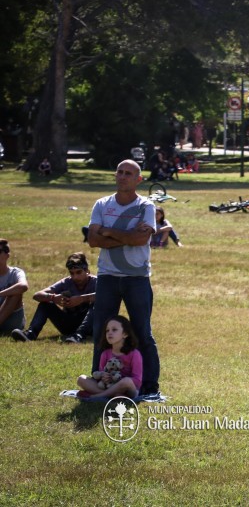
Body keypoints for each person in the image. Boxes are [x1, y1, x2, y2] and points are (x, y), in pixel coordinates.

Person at [85, 159, 160, 397]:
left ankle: (148, 385)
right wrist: (125, 235)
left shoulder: (145, 206)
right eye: (119, 172)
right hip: (107, 276)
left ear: (138, 180)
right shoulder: (101, 204)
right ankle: (100, 382)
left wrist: (108, 231)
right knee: (100, 332)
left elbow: (141, 240)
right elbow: (93, 241)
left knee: (142, 332)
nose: (122, 176)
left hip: (136, 278)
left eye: (129, 173)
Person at [11, 252, 96, 342]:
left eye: (79, 272)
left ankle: (79, 336)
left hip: (92, 325)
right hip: (68, 324)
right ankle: (30, 334)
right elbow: (37, 295)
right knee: (46, 304)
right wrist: (53, 297)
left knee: (97, 303)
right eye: (72, 273)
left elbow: (109, 296)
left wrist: (82, 299)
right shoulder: (66, 282)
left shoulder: (97, 282)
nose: (75, 277)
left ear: (87, 271)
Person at [77, 315, 142, 399]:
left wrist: (118, 379)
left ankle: (99, 396)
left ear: (125, 334)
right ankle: (115, 396)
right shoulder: (105, 354)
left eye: (114, 330)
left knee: (126, 381)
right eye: (107, 330)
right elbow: (101, 374)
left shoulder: (135, 354)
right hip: (108, 386)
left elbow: (138, 381)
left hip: (129, 389)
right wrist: (104, 377)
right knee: (81, 379)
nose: (109, 333)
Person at [0, 239, 28, 336]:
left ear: (7, 255)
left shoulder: (15, 273)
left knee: (16, 293)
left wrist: (1, 293)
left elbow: (23, 286)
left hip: (13, 322)